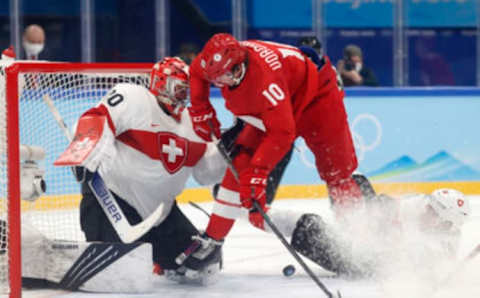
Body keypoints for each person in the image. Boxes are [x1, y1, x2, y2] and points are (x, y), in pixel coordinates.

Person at [177, 33, 372, 272]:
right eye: (216, 78)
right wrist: (200, 108)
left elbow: (282, 133)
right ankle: (214, 239)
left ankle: (363, 241)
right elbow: (197, 73)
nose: (221, 83)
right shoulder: (217, 62)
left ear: (239, 67)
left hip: (318, 101)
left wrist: (258, 174)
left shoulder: (265, 82)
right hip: (280, 102)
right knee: (239, 162)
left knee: (338, 176)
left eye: (225, 76)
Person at [57, 57, 227, 285]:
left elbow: (205, 173)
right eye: (178, 89)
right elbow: (97, 117)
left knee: (205, 268)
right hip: (113, 204)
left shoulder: (193, 124)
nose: (182, 97)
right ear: (160, 84)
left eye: (187, 91)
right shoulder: (133, 97)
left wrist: (228, 152)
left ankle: (158, 259)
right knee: (119, 276)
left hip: (162, 216)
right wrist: (85, 150)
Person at [291, 188, 471, 278]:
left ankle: (275, 221)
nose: (426, 210)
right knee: (358, 183)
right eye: (428, 206)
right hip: (371, 238)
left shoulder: (441, 245)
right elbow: (391, 206)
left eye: (432, 212)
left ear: (445, 223)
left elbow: (405, 263)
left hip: (364, 262)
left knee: (307, 227)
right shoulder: (422, 207)